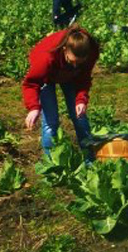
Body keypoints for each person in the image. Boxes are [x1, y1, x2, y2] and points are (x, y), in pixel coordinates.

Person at [22, 26, 99, 161]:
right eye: (72, 61)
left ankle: (89, 159)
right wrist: (33, 108)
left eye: (79, 63)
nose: (76, 66)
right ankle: (52, 164)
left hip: (70, 77)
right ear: (65, 50)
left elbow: (84, 79)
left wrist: (81, 100)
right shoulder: (46, 57)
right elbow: (31, 83)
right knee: (51, 121)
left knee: (79, 116)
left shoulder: (91, 52)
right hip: (47, 76)